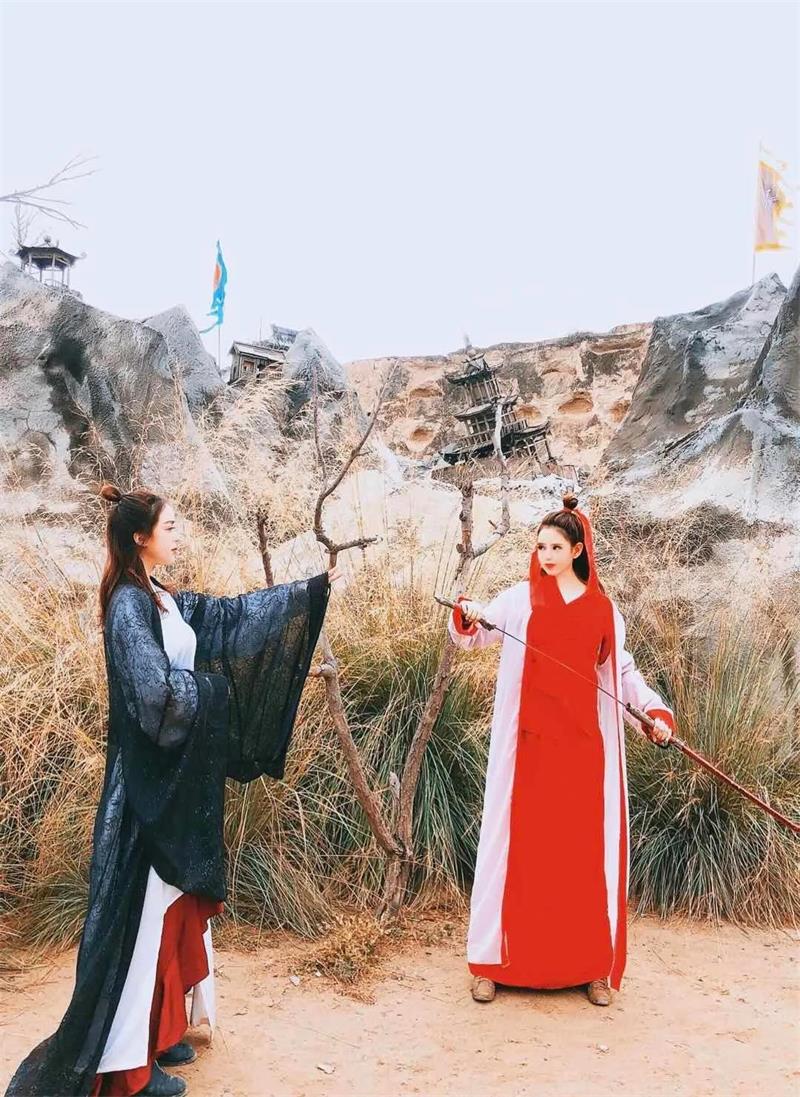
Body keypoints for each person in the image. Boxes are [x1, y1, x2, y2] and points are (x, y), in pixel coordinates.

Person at [6, 485, 336, 1097]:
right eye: (171, 525)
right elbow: (155, 697)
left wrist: (308, 593)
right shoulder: (128, 606)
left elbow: (225, 622)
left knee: (171, 911)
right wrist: (216, 693)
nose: (181, 533)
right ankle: (127, 1067)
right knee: (141, 921)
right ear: (141, 537)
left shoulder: (158, 594)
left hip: (172, 781)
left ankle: (158, 1033)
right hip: (145, 789)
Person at [449, 493, 674, 1008]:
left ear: (577, 550)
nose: (545, 555)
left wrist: (654, 714)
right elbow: (473, 637)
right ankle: (492, 963)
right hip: (527, 753)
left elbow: (620, 673)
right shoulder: (518, 600)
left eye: (555, 546)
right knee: (518, 857)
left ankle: (590, 967)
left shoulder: (604, 611)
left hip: (582, 755)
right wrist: (468, 615)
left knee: (578, 861)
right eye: (540, 546)